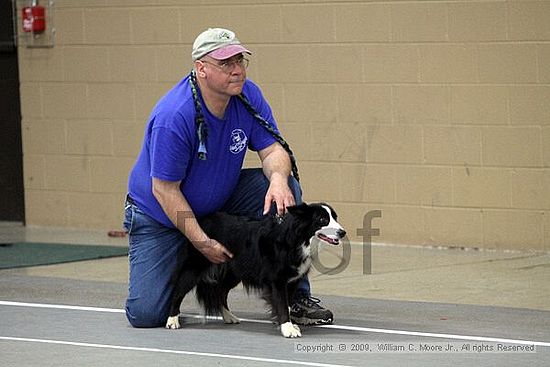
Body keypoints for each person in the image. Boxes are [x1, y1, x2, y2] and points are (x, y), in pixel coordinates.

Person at [124, 27, 333, 328]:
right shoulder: (174, 117)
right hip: (161, 213)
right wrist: (202, 242)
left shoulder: (248, 95)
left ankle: (294, 294)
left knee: (286, 191)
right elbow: (165, 190)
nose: (237, 70)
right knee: (147, 315)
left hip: (222, 197)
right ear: (201, 69)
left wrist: (277, 178)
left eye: (240, 60)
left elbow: (274, 149)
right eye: (226, 64)